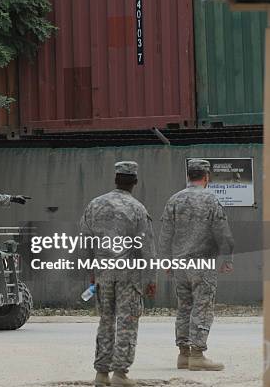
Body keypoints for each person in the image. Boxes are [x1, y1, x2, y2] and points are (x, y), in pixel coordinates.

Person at [79, 161, 156, 387]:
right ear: (134, 182)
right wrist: (151, 278)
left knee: (105, 321)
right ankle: (120, 374)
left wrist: (91, 272)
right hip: (129, 277)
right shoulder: (137, 209)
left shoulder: (95, 205)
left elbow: (84, 242)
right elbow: (147, 248)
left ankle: (101, 374)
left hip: (103, 275)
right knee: (126, 322)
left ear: (115, 179)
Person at [158, 159, 234, 371]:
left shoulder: (174, 200)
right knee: (202, 306)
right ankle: (198, 355)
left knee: (184, 307)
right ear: (206, 177)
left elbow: (165, 233)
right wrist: (227, 258)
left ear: (188, 176)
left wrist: (165, 260)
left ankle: (183, 354)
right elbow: (222, 231)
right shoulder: (211, 199)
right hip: (202, 264)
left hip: (179, 265)